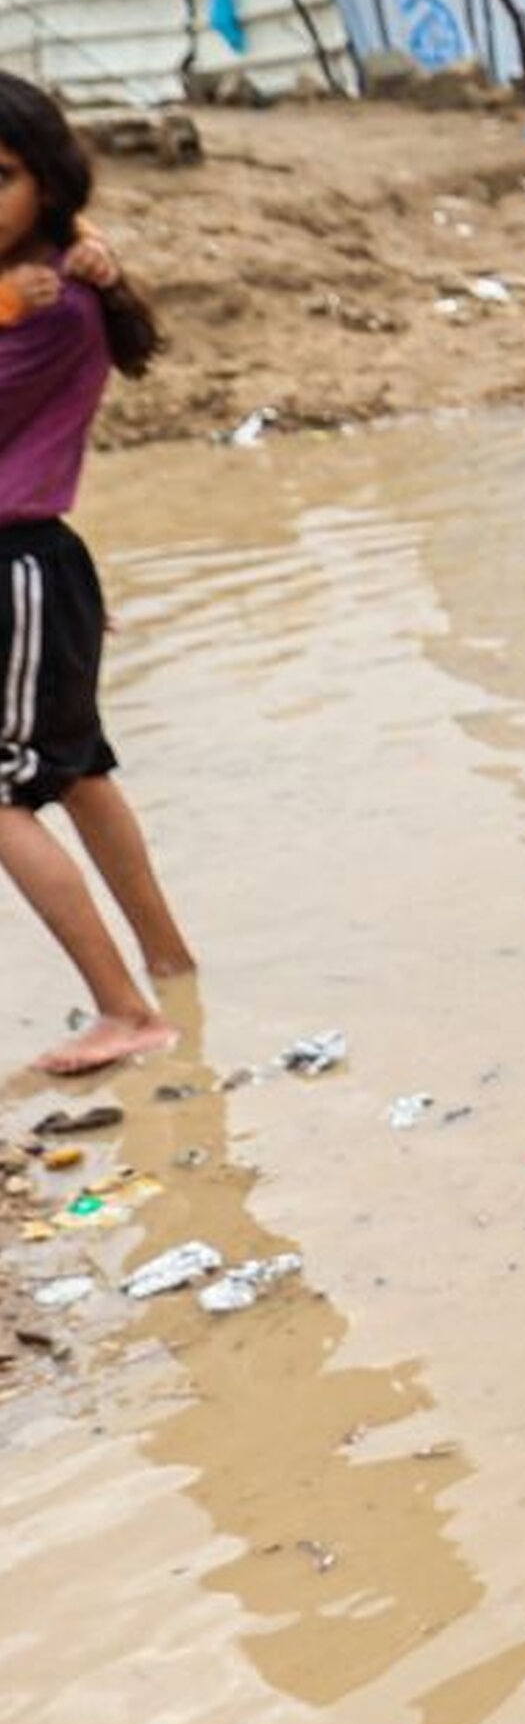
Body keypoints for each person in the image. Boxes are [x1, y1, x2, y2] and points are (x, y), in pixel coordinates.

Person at [0, 73, 194, 1078]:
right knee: (77, 772)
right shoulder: (36, 292)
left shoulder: (47, 306)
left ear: (51, 185)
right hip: (38, 572)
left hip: (14, 566)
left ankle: (127, 1012)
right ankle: (169, 970)